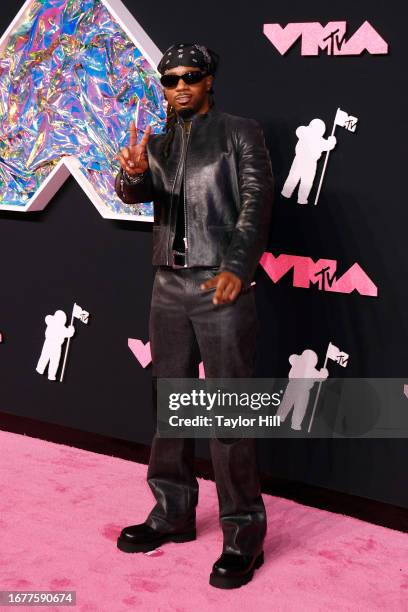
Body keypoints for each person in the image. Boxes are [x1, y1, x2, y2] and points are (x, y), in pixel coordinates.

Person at [114, 42, 274, 589]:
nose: (179, 85)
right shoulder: (156, 142)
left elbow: (257, 200)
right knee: (170, 407)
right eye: (170, 79)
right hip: (167, 283)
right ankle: (173, 513)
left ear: (210, 81)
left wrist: (237, 265)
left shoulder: (240, 132)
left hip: (220, 284)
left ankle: (243, 533)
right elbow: (138, 195)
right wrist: (131, 175)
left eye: (190, 76)